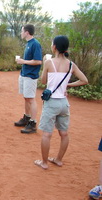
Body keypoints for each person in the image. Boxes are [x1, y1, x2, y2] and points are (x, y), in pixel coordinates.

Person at [33, 35, 88, 170]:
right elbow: (84, 80)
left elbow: (44, 81)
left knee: (47, 134)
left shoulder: (49, 62)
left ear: (55, 47)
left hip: (51, 102)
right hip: (64, 103)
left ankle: (44, 162)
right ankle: (58, 159)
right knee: (64, 133)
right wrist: (68, 85)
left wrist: (46, 61)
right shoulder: (71, 64)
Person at [14, 24, 42, 134]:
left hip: (31, 75)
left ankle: (33, 123)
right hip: (24, 74)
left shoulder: (35, 44)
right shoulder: (28, 43)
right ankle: (27, 117)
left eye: (22, 31)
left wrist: (23, 61)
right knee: (26, 98)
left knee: (31, 99)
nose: (21, 33)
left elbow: (38, 61)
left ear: (27, 32)